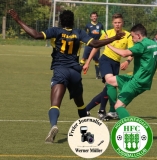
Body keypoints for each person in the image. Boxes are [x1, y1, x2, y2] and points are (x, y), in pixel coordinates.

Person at [8, 9, 125, 143]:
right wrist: (114, 38)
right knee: (80, 104)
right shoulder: (79, 33)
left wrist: (18, 20)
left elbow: (35, 34)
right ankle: (85, 132)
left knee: (55, 104)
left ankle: (54, 126)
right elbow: (95, 44)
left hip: (60, 70)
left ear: (60, 21)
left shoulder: (55, 31)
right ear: (73, 21)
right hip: (75, 72)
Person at [105, 23, 157, 119]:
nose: (132, 39)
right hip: (141, 79)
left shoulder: (141, 45)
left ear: (138, 35)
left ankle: (128, 129)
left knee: (119, 106)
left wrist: (108, 44)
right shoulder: (154, 44)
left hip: (137, 82)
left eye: (133, 37)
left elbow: (124, 54)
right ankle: (113, 110)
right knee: (110, 81)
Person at [83, 13, 134, 120]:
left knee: (108, 87)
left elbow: (132, 52)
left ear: (123, 23)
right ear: (112, 23)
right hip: (105, 60)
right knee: (110, 82)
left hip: (116, 63)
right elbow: (96, 46)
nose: (117, 25)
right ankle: (109, 111)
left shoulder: (128, 35)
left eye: (119, 22)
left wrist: (127, 61)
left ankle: (91, 109)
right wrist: (88, 62)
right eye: (115, 23)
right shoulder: (108, 33)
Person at [80, 12, 105, 79]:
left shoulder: (100, 25)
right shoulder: (88, 25)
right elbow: (85, 34)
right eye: (93, 16)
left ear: (97, 17)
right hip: (89, 44)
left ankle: (97, 75)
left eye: (95, 16)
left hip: (97, 45)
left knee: (97, 60)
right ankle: (78, 73)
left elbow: (103, 33)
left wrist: (105, 37)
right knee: (83, 58)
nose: (94, 17)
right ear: (90, 17)